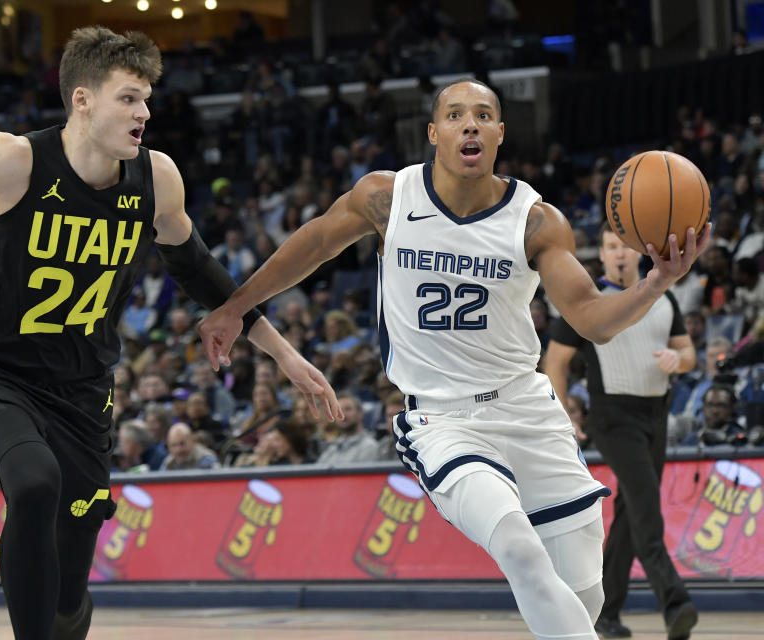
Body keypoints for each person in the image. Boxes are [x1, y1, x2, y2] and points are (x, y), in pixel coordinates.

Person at [0, 27, 340, 640]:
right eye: (128, 98)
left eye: (146, 99)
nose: (144, 112)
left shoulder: (157, 178)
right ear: (82, 99)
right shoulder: (12, 162)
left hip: (83, 394)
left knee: (67, 602)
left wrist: (283, 353)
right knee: (34, 481)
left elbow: (197, 266)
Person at [199, 79, 710, 640]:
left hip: (527, 410)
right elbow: (316, 243)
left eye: (484, 115)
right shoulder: (388, 196)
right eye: (456, 114)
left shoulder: (536, 220)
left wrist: (659, 280)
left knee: (583, 596)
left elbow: (590, 317)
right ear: (434, 133)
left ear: (499, 135)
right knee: (517, 546)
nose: (470, 123)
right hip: (443, 420)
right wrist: (236, 307)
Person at [544, 225, 697, 638]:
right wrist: (564, 417)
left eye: (625, 247)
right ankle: (676, 602)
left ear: (636, 253)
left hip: (656, 414)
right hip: (612, 418)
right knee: (646, 507)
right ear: (603, 256)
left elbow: (688, 353)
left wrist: (676, 359)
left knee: (631, 517)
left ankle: (605, 615)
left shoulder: (664, 299)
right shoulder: (586, 303)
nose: (619, 254)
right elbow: (554, 363)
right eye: (611, 248)